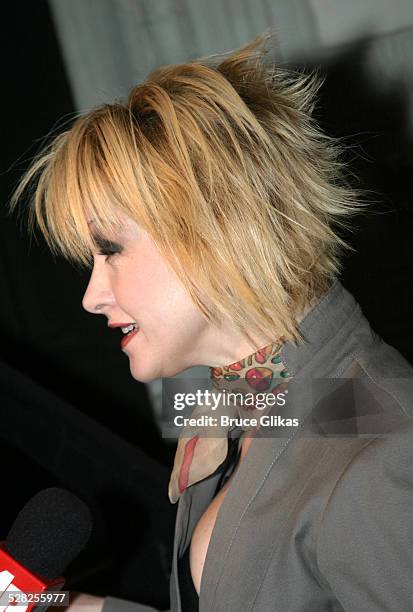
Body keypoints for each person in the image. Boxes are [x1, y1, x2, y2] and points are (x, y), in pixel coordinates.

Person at [11, 32, 413, 612]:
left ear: (214, 230)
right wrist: (44, 605)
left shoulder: (384, 454)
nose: (92, 296)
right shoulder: (248, 402)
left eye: (111, 251)